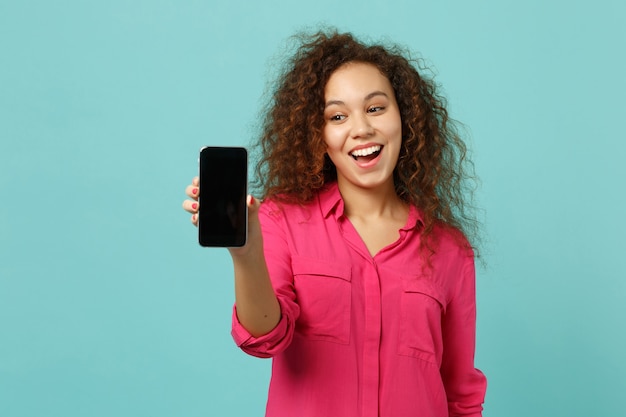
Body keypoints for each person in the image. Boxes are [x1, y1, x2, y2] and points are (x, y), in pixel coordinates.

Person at [182, 29, 487, 417]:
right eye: (337, 116)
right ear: (319, 135)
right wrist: (246, 254)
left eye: (376, 108)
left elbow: (460, 394)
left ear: (405, 118)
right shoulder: (282, 221)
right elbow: (263, 337)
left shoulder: (449, 249)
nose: (361, 128)